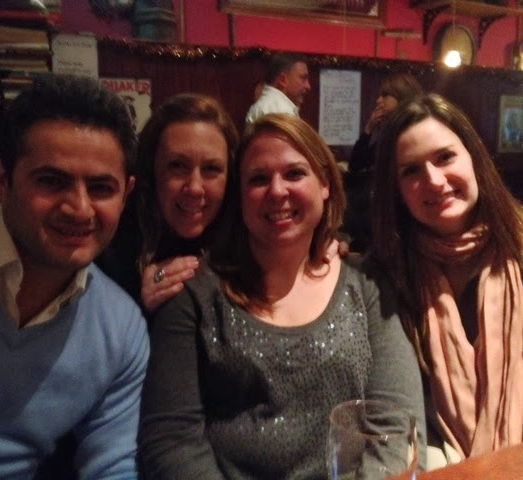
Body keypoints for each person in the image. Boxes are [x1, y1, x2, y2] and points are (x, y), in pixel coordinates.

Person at [138, 113, 426, 478]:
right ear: (240, 197)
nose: (277, 191)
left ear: (325, 184)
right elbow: (172, 442)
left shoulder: (367, 283)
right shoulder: (193, 294)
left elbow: (397, 426)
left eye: (294, 173)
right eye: (258, 179)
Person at [0, 75, 149, 479]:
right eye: (52, 181)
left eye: (101, 188)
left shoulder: (121, 329)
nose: (79, 208)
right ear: (2, 179)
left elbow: (112, 467)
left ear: (126, 194)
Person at [370, 93, 523, 468]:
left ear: (474, 158)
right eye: (411, 171)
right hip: (437, 459)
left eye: (445, 157)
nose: (434, 180)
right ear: (397, 190)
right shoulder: (385, 272)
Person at [96, 93, 239, 313]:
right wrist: (136, 303)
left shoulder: (244, 243)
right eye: (178, 166)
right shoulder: (110, 245)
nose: (194, 187)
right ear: (151, 171)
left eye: (211, 169)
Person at [343, 72, 423, 253]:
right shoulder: (389, 134)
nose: (379, 101)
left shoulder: (409, 135)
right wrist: (369, 128)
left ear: (402, 99)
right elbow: (356, 164)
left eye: (386, 95)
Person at [244, 53, 311, 125]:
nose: (308, 86)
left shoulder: (271, 106)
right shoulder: (278, 111)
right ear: (283, 80)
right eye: (303, 79)